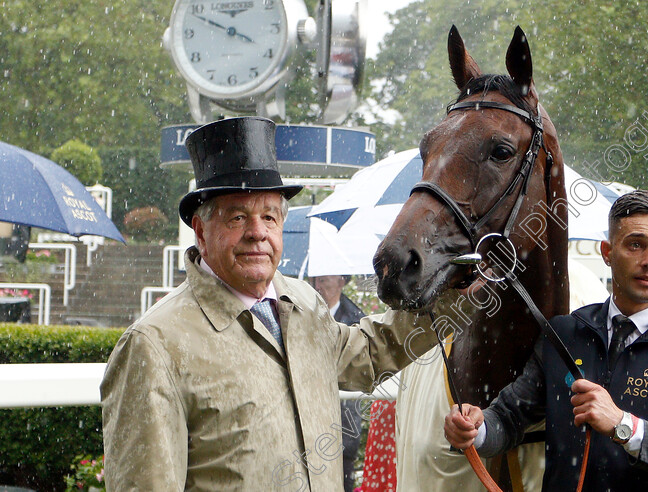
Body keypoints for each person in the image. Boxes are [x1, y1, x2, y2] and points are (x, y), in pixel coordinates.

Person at [101, 117, 440, 491]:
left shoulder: (304, 304)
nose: (258, 232)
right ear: (201, 231)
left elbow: (373, 353)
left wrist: (463, 296)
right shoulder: (154, 345)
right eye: (238, 217)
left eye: (269, 216)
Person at [444, 190, 648, 491]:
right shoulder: (564, 334)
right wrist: (475, 430)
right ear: (607, 252)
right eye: (636, 245)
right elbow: (508, 418)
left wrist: (626, 427)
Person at [395, 258, 609, 492]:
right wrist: (477, 430)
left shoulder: (585, 300)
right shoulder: (569, 329)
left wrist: (625, 427)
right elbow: (512, 414)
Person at [313, 274, 366, 492]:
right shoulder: (303, 313)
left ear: (341, 282)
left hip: (342, 421)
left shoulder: (356, 319)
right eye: (315, 280)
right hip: (311, 417)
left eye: (324, 280)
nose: (318, 286)